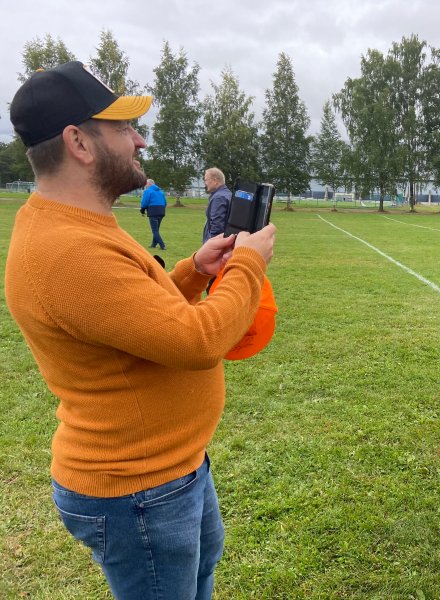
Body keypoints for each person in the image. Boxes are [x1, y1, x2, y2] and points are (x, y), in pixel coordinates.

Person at [6, 61, 277, 600]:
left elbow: (138, 316)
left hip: (169, 472)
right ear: (79, 142)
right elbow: (197, 341)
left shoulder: (77, 225)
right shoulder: (66, 249)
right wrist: (247, 265)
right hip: (138, 491)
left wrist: (194, 271)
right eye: (124, 129)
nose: (141, 140)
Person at [203, 167, 231, 244]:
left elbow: (217, 226)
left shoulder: (219, 197)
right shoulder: (228, 194)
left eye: (206, 180)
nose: (205, 183)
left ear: (215, 181)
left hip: (215, 244)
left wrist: (210, 244)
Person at [140, 178, 167, 250]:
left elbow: (145, 201)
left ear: (150, 184)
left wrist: (142, 209)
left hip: (153, 211)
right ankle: (154, 244)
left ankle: (162, 245)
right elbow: (165, 202)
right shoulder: (161, 192)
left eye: (146, 184)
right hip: (161, 211)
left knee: (154, 230)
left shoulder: (148, 191)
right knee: (156, 229)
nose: (145, 185)